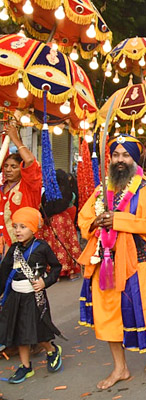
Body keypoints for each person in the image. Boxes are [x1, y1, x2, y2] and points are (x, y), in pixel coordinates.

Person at [77, 134, 146, 390]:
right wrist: (96, 222)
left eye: (125, 155)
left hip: (137, 264)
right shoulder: (101, 191)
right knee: (108, 319)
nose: (120, 160)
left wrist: (118, 220)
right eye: (116, 155)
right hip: (104, 266)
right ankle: (121, 368)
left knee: (143, 314)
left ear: (135, 159)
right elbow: (83, 220)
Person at [0, 207, 63, 383]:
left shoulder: (42, 248)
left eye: (23, 227)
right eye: (15, 226)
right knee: (20, 332)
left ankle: (51, 350)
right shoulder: (13, 250)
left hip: (34, 297)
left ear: (33, 228)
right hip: (15, 297)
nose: (18, 231)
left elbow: (56, 267)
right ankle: (26, 367)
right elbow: (4, 272)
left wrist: (45, 282)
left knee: (38, 331)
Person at [0, 123, 42, 251]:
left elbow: (29, 161)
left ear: (22, 169)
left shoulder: (29, 185)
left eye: (13, 167)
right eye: (6, 166)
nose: (8, 170)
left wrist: (15, 138)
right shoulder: (2, 188)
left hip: (21, 246)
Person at [39, 169, 82, 279]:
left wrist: (46, 215)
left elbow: (43, 205)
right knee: (67, 244)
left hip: (50, 221)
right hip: (64, 221)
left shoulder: (48, 192)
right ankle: (70, 270)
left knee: (53, 245)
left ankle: (54, 272)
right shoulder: (68, 192)